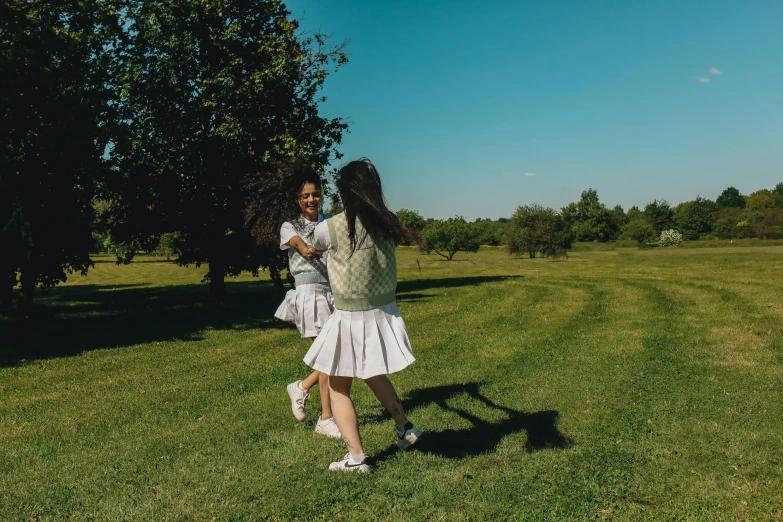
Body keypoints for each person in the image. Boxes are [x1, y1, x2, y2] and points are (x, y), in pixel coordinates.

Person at [304, 158, 421, 473]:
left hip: (350, 316)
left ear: (344, 192)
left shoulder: (330, 228)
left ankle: (356, 458)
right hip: (381, 312)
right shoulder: (387, 222)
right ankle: (405, 428)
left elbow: (315, 244)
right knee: (372, 372)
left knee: (339, 386)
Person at [272, 165, 341, 439]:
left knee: (331, 355)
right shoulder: (290, 225)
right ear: (298, 199)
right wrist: (307, 249)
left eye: (315, 194)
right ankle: (326, 418)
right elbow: (299, 243)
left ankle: (301, 387)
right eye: (305, 196)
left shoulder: (328, 223)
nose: (311, 200)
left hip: (331, 293)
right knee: (328, 356)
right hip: (308, 293)